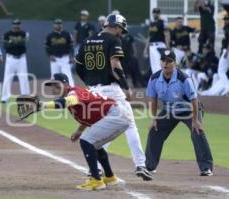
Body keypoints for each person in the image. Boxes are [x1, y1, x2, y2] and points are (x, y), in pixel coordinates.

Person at [75, 14, 153, 181]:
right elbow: (115, 65)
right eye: (121, 29)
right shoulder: (113, 40)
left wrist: (89, 84)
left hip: (94, 91)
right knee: (130, 125)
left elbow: (78, 67)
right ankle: (140, 164)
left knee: (100, 128)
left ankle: (94, 168)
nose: (121, 33)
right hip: (112, 90)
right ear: (116, 26)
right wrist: (126, 87)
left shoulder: (87, 40)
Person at [40, 73, 131, 190]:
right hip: (116, 115)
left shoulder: (74, 92)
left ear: (66, 84)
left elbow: (69, 101)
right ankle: (110, 178)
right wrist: (79, 131)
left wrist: (42, 105)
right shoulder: (71, 94)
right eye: (52, 86)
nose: (54, 89)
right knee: (94, 144)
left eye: (57, 85)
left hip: (115, 115)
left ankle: (96, 180)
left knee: (87, 141)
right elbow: (87, 113)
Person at [145, 48, 213, 176]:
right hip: (169, 111)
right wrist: (154, 119)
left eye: (169, 61)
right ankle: (149, 166)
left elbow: (194, 100)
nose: (166, 63)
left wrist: (195, 121)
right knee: (154, 131)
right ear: (160, 62)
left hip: (189, 110)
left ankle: (206, 168)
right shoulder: (154, 78)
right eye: (163, 60)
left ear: (175, 63)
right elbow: (153, 99)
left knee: (197, 132)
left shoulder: (183, 78)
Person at [1, 19, 30, 103]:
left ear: (20, 25)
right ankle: (4, 98)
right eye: (15, 24)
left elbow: (23, 45)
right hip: (11, 58)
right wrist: (16, 43)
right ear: (12, 25)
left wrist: (12, 42)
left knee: (23, 78)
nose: (16, 26)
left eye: (18, 24)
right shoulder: (7, 34)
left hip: (21, 58)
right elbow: (5, 47)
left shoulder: (24, 33)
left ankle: (26, 97)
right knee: (7, 78)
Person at [201, 15, 229, 96]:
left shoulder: (228, 28)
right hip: (225, 50)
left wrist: (227, 51)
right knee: (221, 71)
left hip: (227, 51)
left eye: (227, 19)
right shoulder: (225, 27)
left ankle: (227, 87)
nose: (226, 21)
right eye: (225, 19)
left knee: (221, 71)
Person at [45, 19, 74, 86]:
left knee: (68, 75)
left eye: (59, 24)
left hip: (65, 58)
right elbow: (47, 47)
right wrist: (50, 55)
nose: (58, 25)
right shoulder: (50, 35)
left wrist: (71, 56)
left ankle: (72, 92)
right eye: (56, 24)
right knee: (54, 77)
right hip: (55, 59)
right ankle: (56, 95)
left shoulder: (67, 34)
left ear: (62, 25)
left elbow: (71, 46)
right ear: (53, 25)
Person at [143, 8, 170, 74]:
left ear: (159, 14)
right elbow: (149, 37)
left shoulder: (163, 22)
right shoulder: (151, 24)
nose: (155, 14)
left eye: (157, 12)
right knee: (154, 67)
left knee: (160, 65)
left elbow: (167, 34)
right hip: (152, 46)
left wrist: (167, 46)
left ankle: (163, 81)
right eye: (154, 12)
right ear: (152, 14)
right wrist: (145, 49)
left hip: (160, 45)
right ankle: (157, 82)